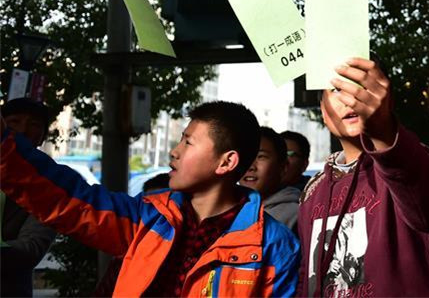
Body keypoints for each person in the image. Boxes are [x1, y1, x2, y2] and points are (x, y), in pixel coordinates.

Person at [1, 101, 300, 297]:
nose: (175, 151)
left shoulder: (274, 246)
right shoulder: (148, 218)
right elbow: (69, 200)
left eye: (188, 141)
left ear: (226, 162)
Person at [298, 57, 429, 297]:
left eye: (362, 85)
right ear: (323, 111)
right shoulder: (313, 190)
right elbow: (306, 276)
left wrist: (383, 130)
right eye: (337, 89)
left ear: (386, 98)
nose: (351, 98)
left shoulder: (408, 162)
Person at [1, 98, 57, 298]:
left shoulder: (50, 182)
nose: (23, 130)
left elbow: (31, 249)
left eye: (33, 124)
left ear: (43, 136)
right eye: (14, 121)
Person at [240, 126, 301, 233]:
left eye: (261, 156)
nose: (251, 166)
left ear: (283, 167)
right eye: (246, 156)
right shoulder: (225, 211)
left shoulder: (298, 216)